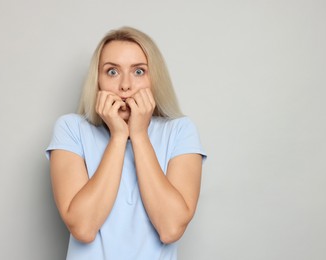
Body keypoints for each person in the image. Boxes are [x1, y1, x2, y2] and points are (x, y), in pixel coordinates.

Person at [46, 26, 206, 260]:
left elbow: (171, 229)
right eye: (112, 72)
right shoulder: (71, 129)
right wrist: (119, 136)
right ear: (97, 80)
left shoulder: (180, 131)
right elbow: (83, 227)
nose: (125, 86)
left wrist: (139, 135)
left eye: (139, 72)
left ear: (154, 79)